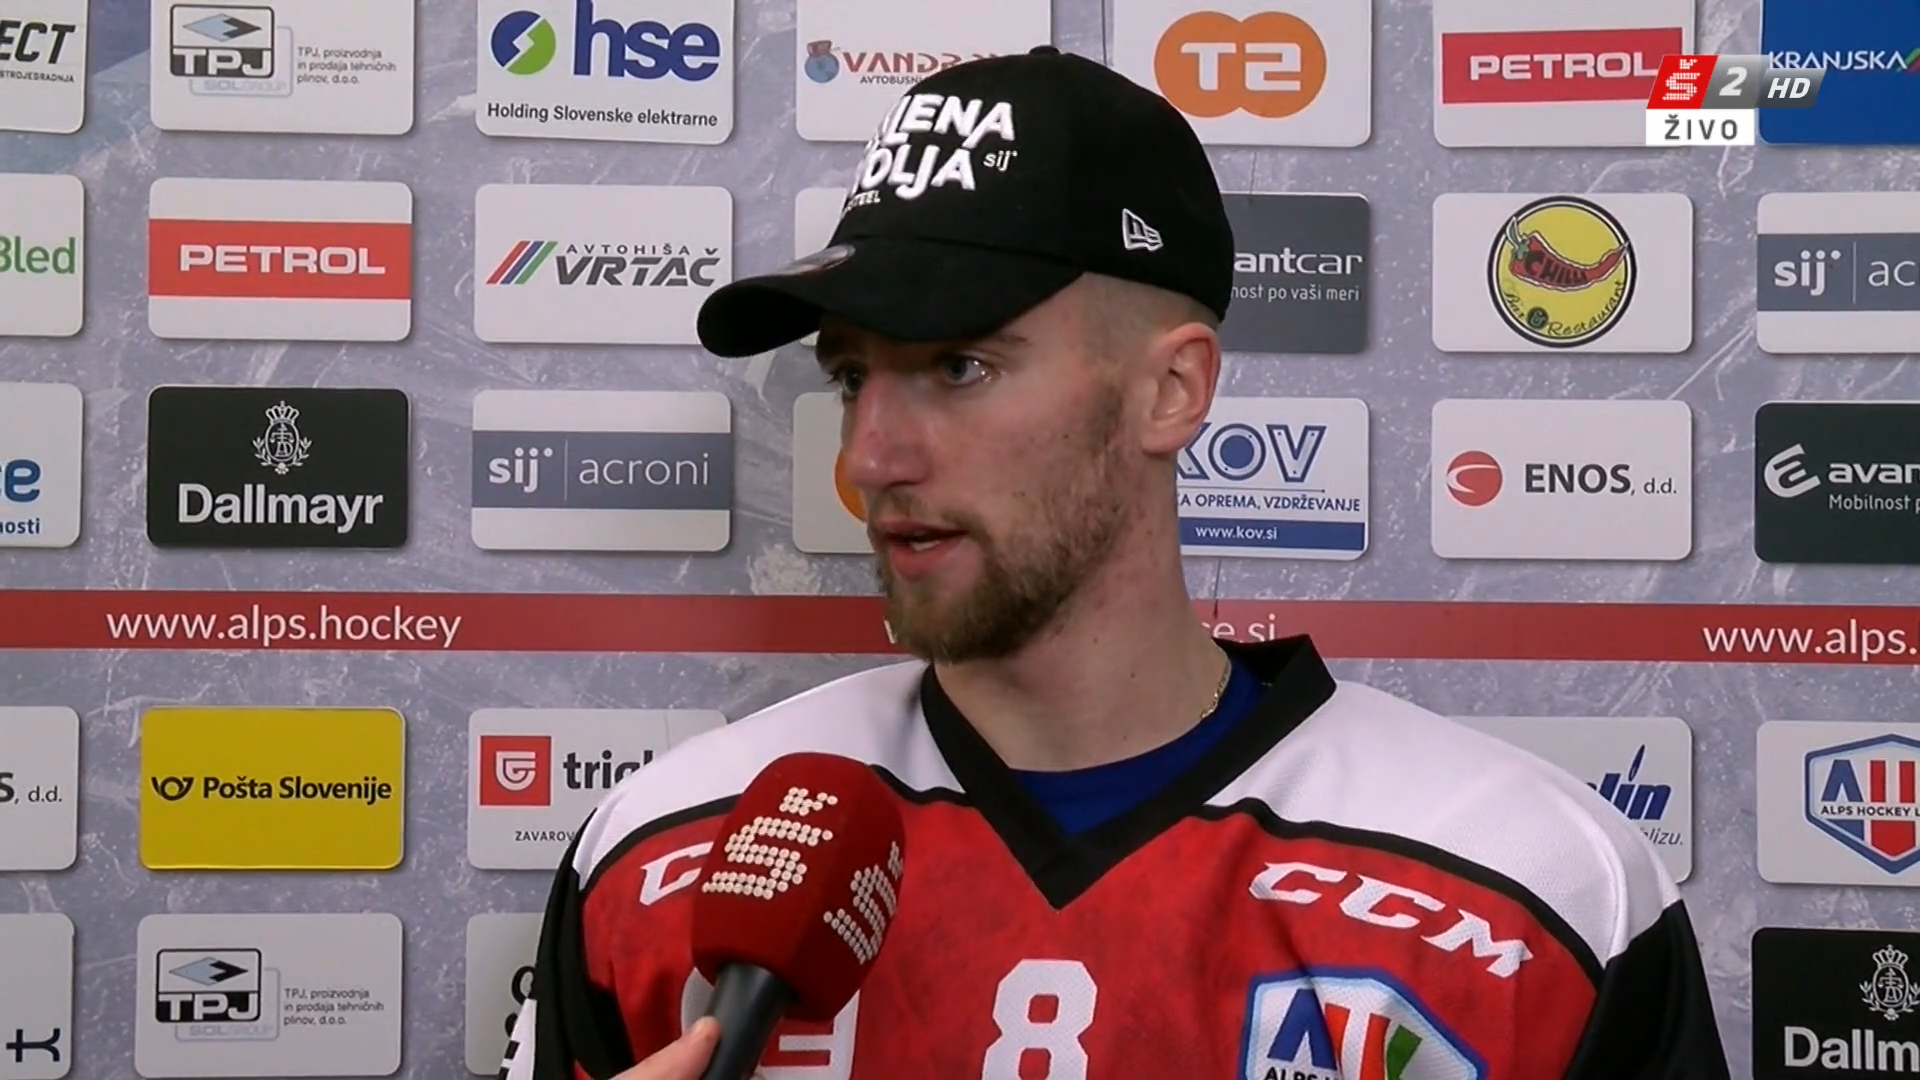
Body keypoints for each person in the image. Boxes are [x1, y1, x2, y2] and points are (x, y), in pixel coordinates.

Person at [501, 46, 1732, 1080]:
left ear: (1171, 390)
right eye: (852, 377)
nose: (869, 456)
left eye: (960, 367)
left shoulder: (1533, 886)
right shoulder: (666, 852)